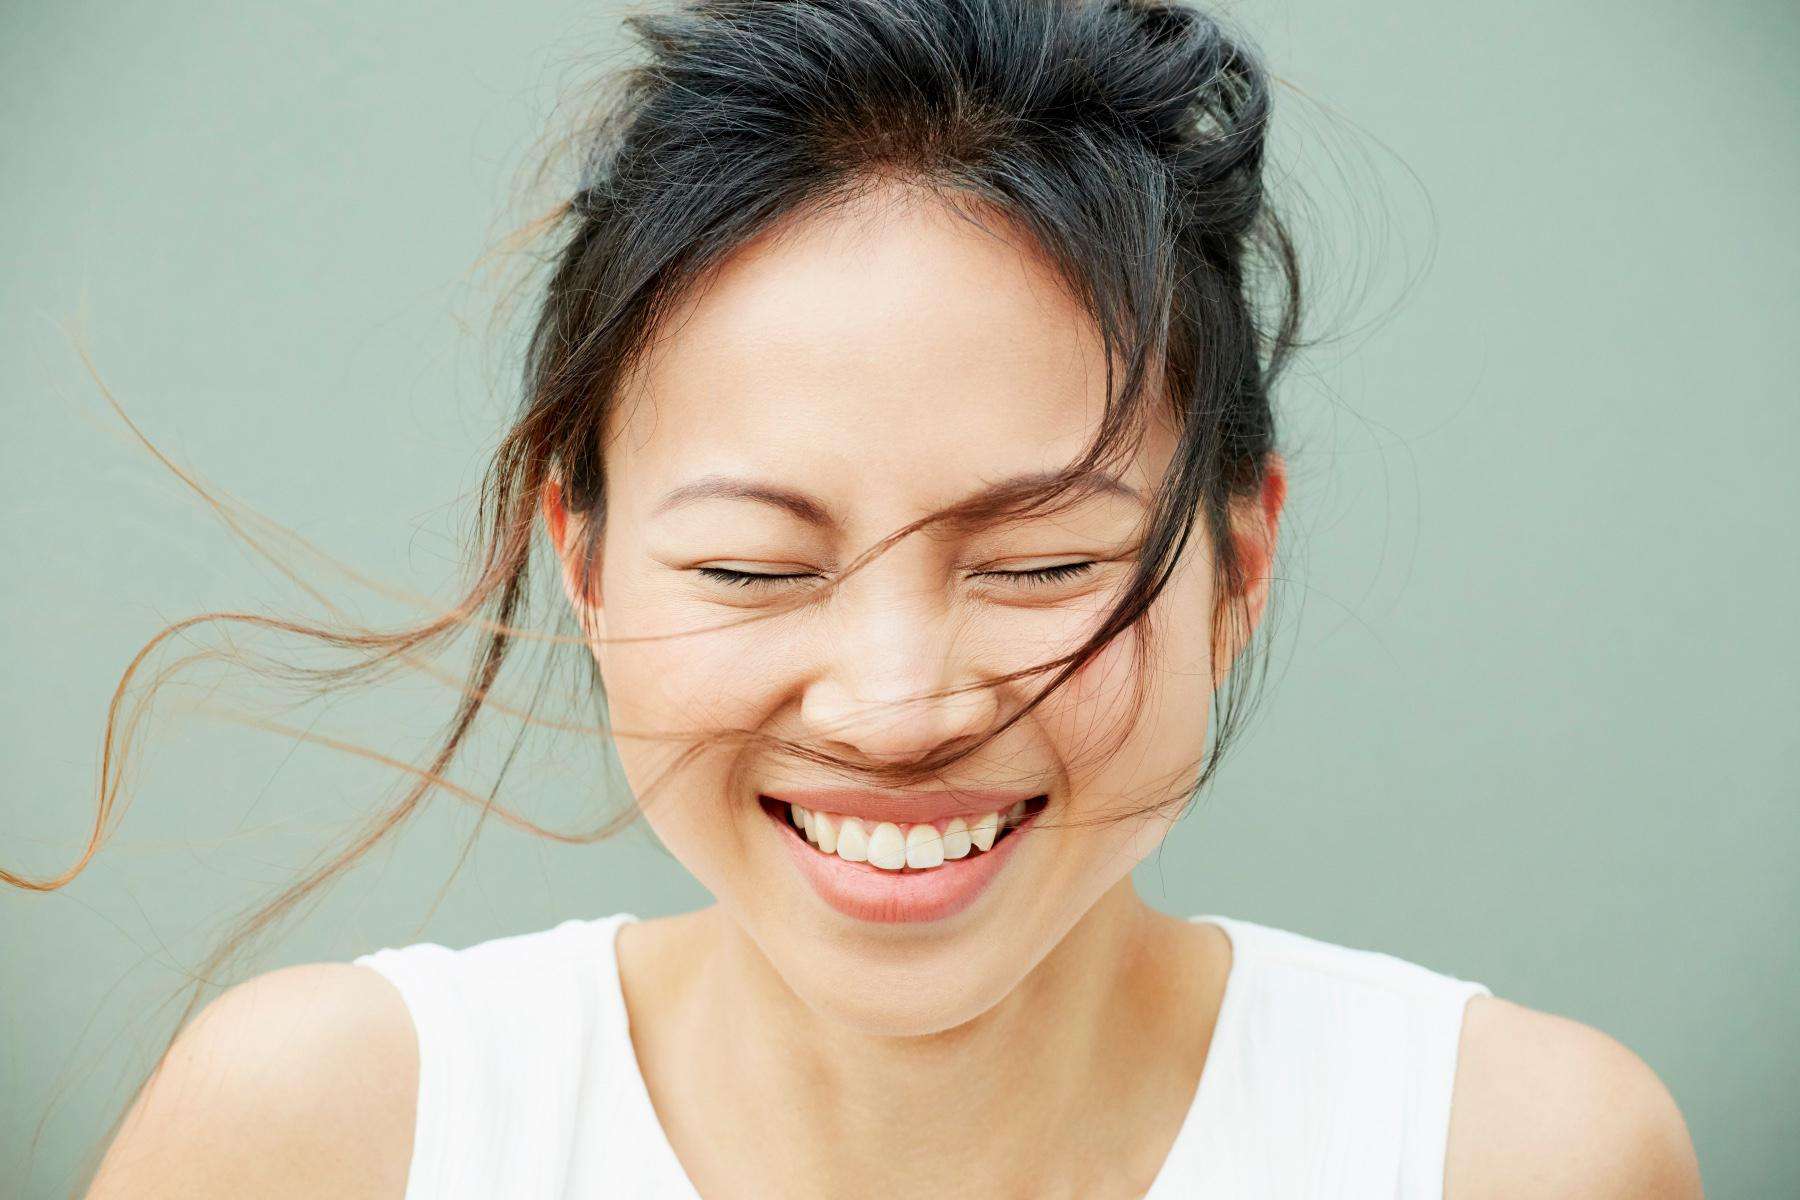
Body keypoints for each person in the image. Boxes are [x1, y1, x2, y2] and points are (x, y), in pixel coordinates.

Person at [59, 0, 1701, 1196]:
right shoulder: (327, 1134)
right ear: (586, 565)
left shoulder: (1515, 1151)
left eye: (1046, 565)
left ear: (1237, 569)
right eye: (754, 570)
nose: (898, 704)